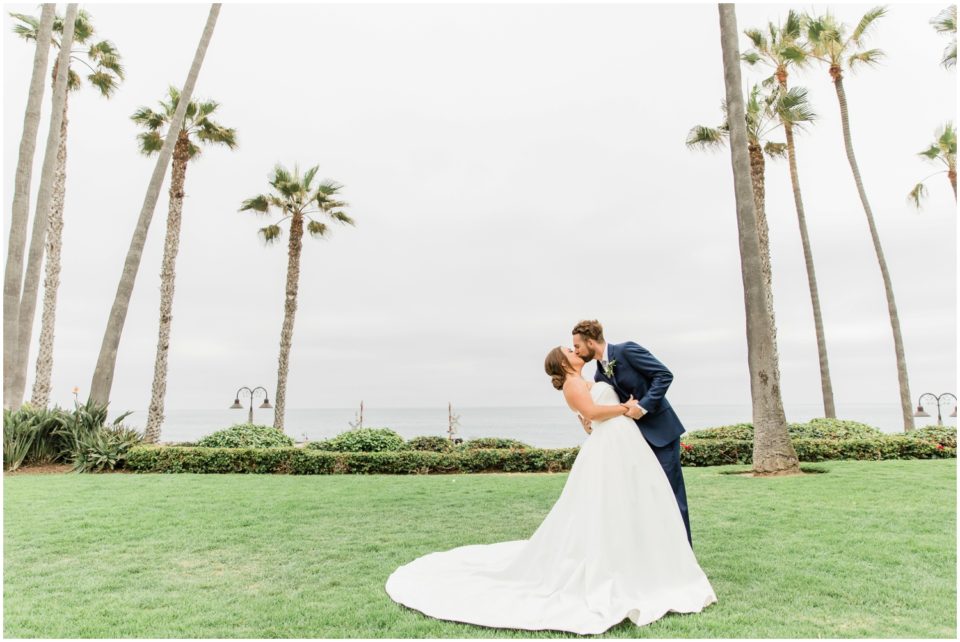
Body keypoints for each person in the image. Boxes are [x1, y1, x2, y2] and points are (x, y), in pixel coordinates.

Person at [383, 344, 717, 634]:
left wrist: (611, 412)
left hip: (622, 445)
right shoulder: (572, 384)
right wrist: (625, 408)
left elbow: (589, 415)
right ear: (563, 363)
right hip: (611, 445)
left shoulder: (594, 376)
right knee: (605, 505)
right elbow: (590, 411)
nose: (576, 352)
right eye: (570, 352)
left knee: (633, 502)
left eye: (575, 348)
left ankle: (647, 559)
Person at [572, 319, 693, 546]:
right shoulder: (599, 375)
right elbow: (613, 408)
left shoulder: (626, 350)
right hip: (633, 442)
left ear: (590, 342)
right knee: (646, 497)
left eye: (578, 346)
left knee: (672, 495)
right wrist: (592, 423)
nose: (577, 351)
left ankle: (685, 554)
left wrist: (643, 406)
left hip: (661, 434)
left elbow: (664, 375)